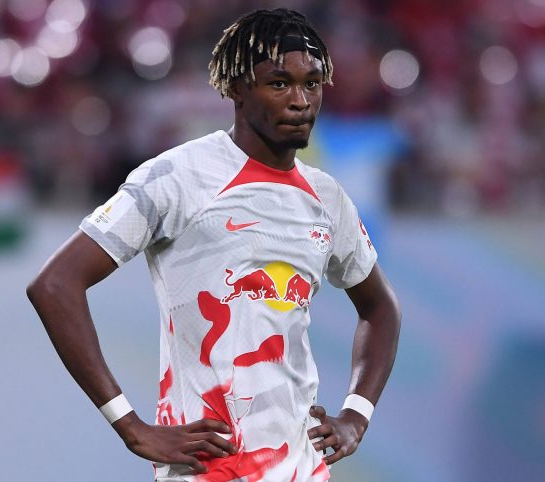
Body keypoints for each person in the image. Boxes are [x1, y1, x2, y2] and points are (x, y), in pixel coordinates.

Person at [27, 8, 400, 482]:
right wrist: (129, 425)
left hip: (301, 469)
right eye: (279, 83)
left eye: (312, 84)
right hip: (205, 471)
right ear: (238, 88)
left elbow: (380, 308)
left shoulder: (327, 197)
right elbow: (55, 284)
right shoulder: (177, 176)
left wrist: (356, 415)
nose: (300, 100)